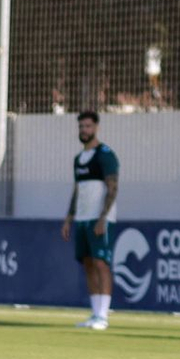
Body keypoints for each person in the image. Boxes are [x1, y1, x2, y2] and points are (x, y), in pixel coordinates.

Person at [60, 110, 119, 331]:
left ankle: (103, 315)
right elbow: (78, 190)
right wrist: (69, 218)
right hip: (82, 219)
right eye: (81, 126)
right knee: (87, 263)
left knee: (101, 263)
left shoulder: (105, 155)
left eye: (88, 126)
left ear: (96, 128)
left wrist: (103, 217)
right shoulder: (78, 159)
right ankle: (95, 313)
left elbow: (113, 187)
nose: (84, 130)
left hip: (99, 219)